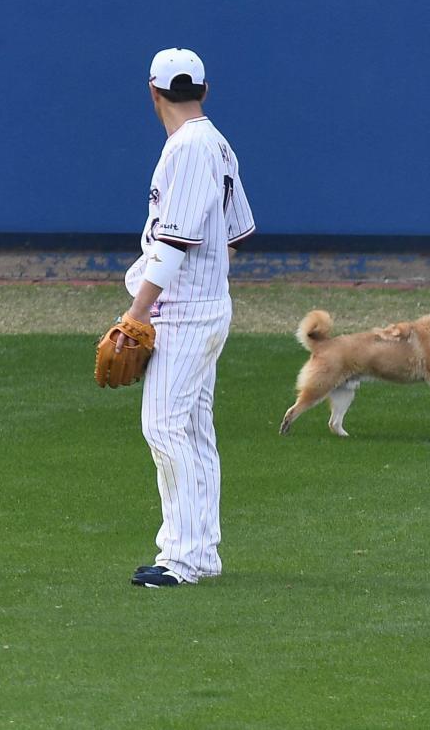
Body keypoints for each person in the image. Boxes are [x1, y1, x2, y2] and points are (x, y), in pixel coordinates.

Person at [124, 48, 255, 587]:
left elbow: (175, 241)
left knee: (164, 425)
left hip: (182, 313)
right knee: (193, 430)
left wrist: (137, 311)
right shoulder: (217, 145)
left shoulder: (190, 148)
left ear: (152, 91)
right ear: (204, 89)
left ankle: (180, 560)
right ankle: (200, 553)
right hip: (200, 306)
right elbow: (236, 237)